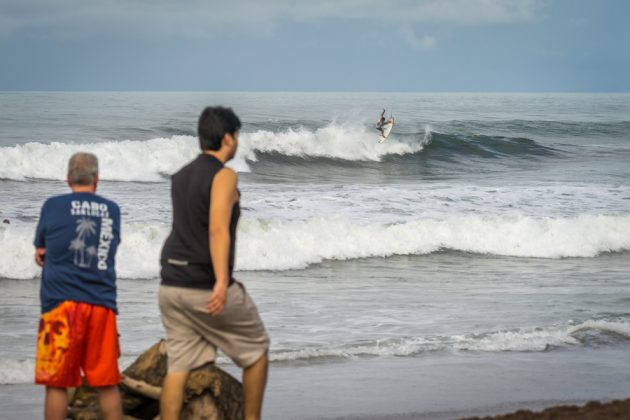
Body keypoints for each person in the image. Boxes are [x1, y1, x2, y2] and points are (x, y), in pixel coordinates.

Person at [159, 106, 269, 420]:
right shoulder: (224, 175)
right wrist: (221, 282)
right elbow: (217, 228)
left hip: (171, 284)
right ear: (227, 138)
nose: (237, 141)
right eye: (236, 135)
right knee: (257, 350)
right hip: (203, 284)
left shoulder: (180, 176)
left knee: (178, 367)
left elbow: (187, 225)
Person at [33, 152, 122, 420]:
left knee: (58, 384)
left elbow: (41, 250)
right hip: (101, 304)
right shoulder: (112, 210)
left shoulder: (52, 206)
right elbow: (109, 249)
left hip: (60, 305)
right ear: (97, 179)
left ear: (68, 179)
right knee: (107, 385)